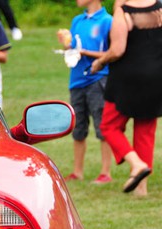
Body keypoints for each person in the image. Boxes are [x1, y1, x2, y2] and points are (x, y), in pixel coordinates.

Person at [91, 0, 162, 196]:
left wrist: (100, 61)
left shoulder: (123, 13)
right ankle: (142, 189)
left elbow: (117, 50)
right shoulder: (159, 7)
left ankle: (136, 164)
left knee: (109, 126)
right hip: (156, 77)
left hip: (127, 79)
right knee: (145, 131)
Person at [57, 0, 113, 183]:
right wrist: (66, 45)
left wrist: (85, 52)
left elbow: (112, 52)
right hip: (77, 81)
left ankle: (106, 173)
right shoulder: (77, 21)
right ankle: (77, 171)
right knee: (78, 126)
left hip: (98, 80)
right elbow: (73, 47)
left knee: (102, 126)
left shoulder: (107, 21)